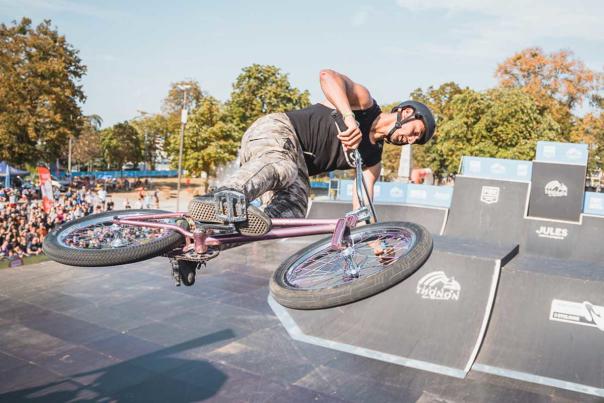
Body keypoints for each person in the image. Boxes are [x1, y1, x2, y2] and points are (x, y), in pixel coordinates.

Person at [190, 69, 435, 236]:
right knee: (283, 166)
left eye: (416, 140)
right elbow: (327, 76)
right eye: (415, 131)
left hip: (297, 168)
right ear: (405, 113)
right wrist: (349, 118)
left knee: (291, 214)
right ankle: (225, 195)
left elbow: (363, 205)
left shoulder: (373, 160)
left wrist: (373, 240)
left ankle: (202, 235)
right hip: (278, 132)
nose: (410, 139)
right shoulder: (364, 103)